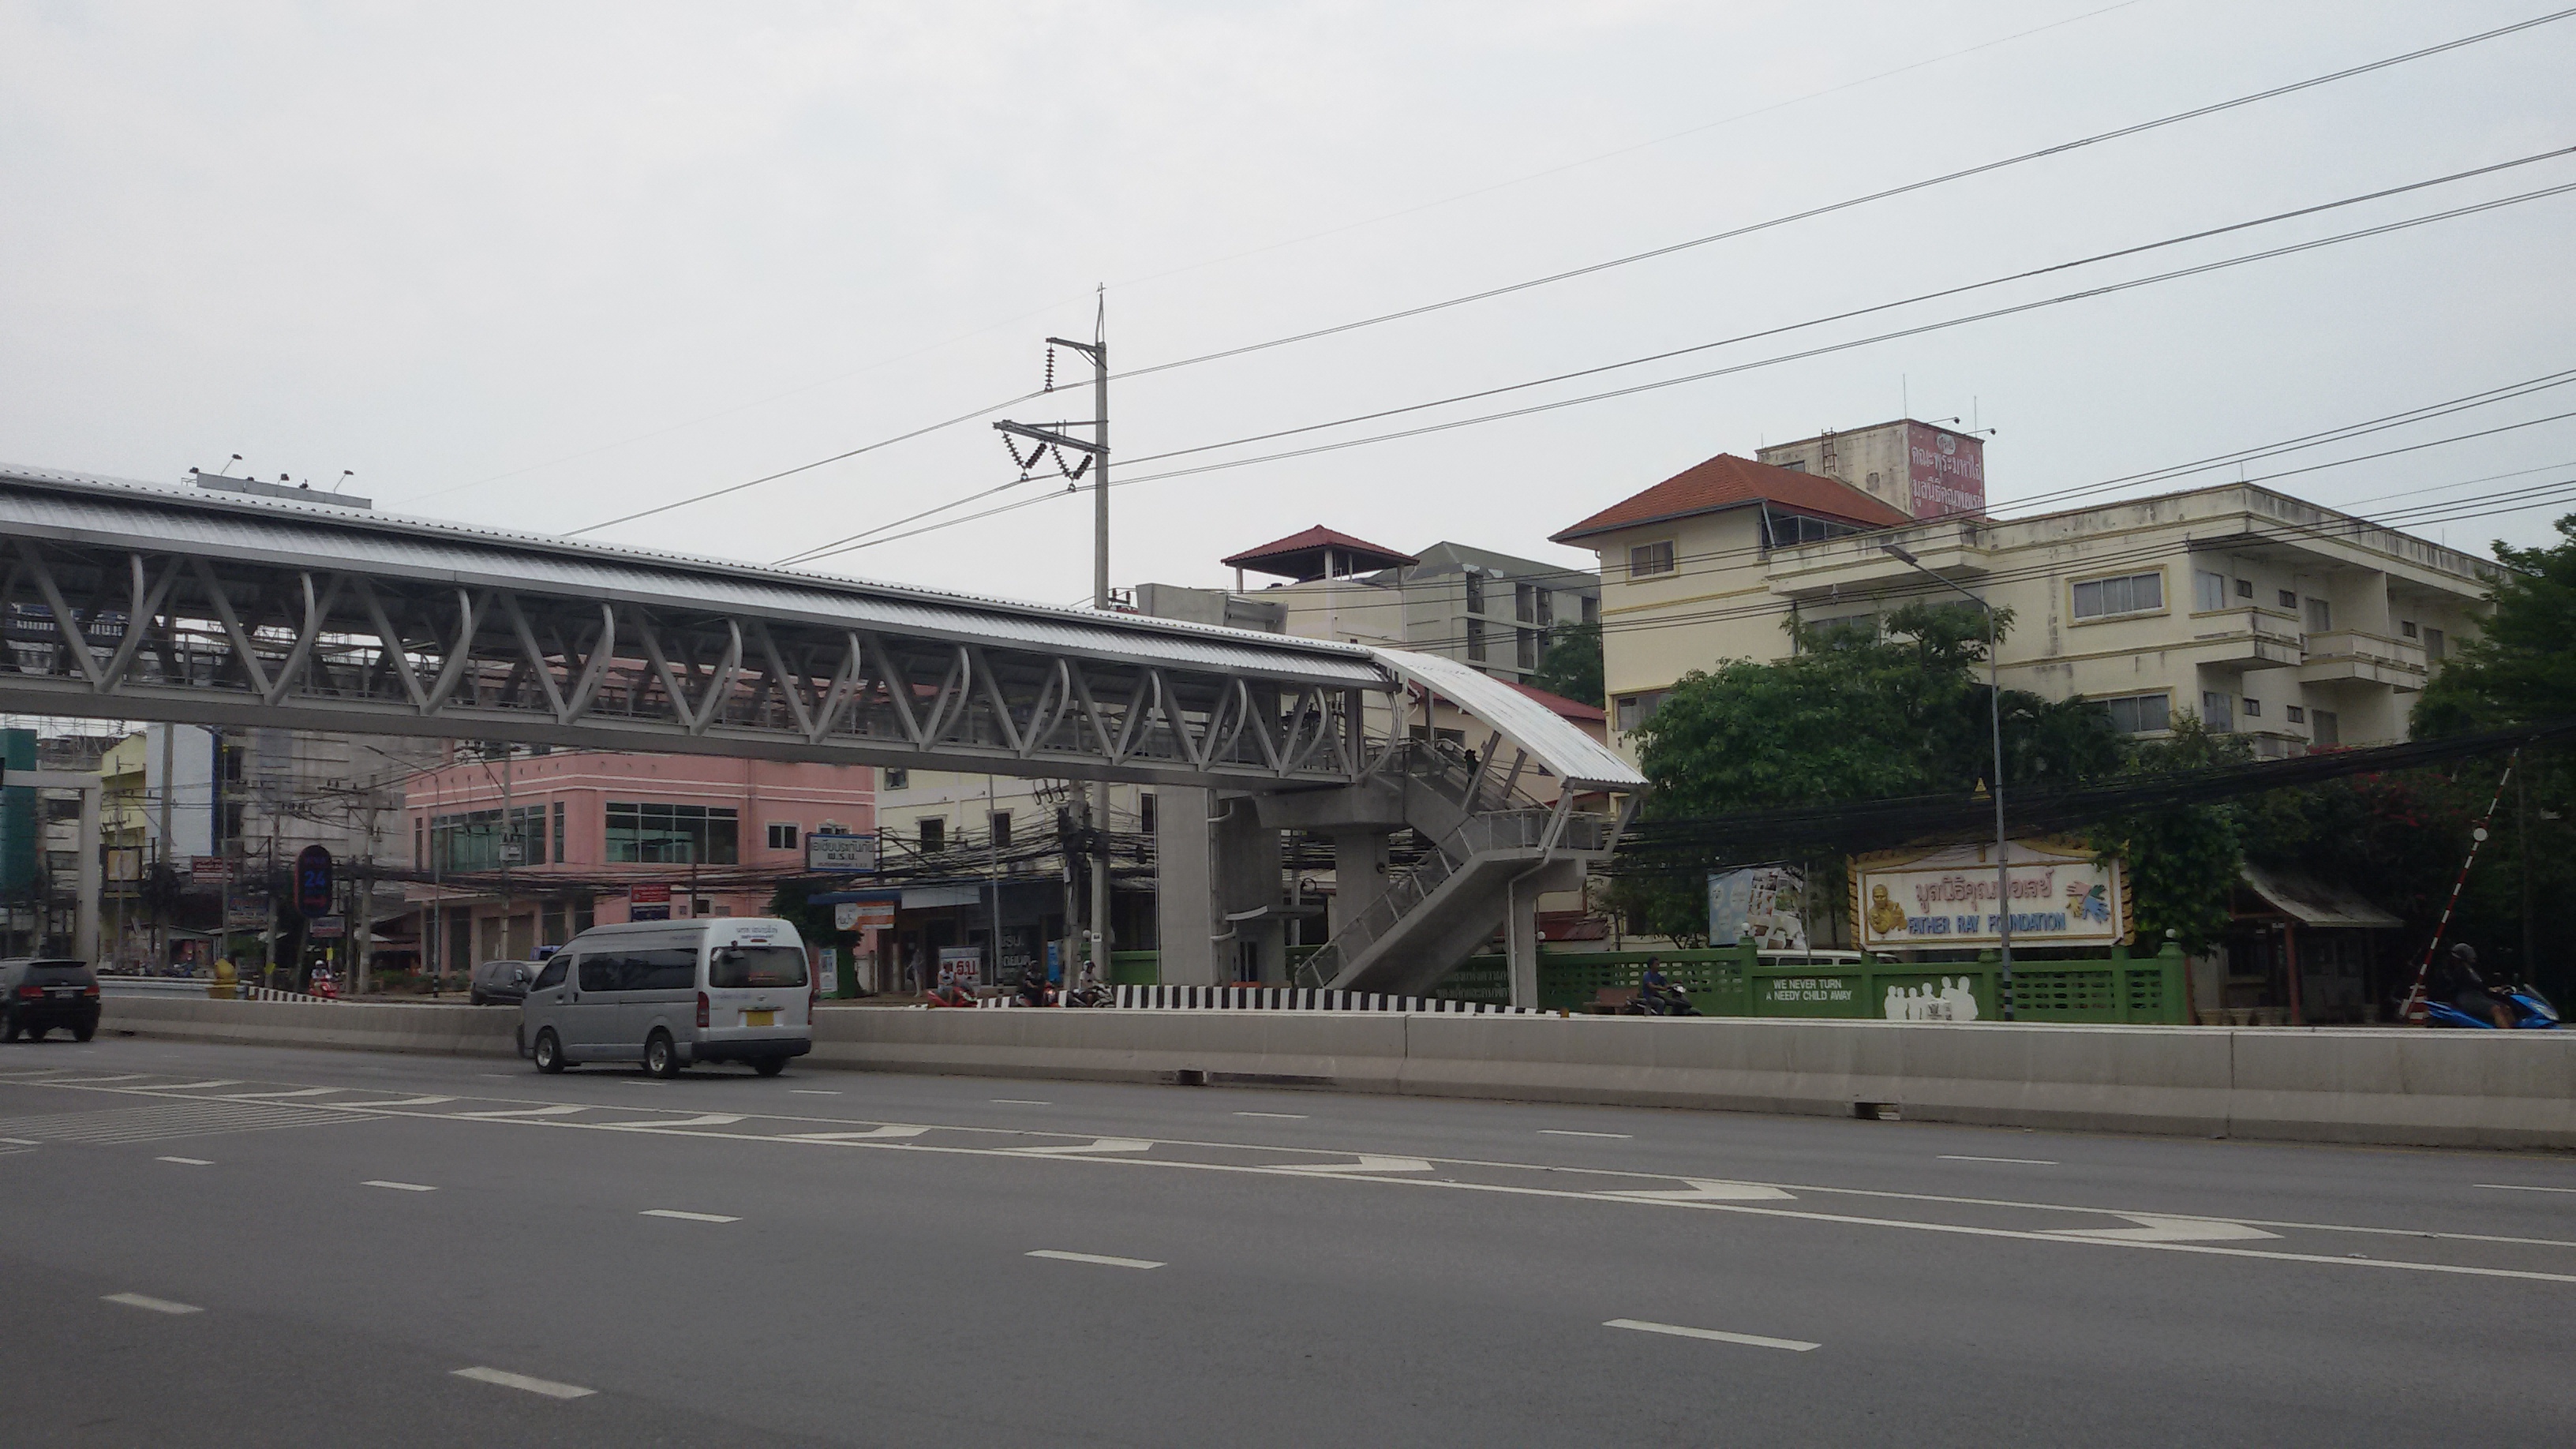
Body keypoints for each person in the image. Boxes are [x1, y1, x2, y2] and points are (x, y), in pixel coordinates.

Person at [2443, 942, 2513, 1029]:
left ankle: (2516, 1033)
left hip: (2477, 995)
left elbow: (2481, 982)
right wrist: (2489, 989)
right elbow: (2473, 984)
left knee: (2506, 1008)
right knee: (2496, 1010)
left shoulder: (2470, 969)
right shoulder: (2459, 970)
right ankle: (2507, 1038)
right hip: (2467, 997)